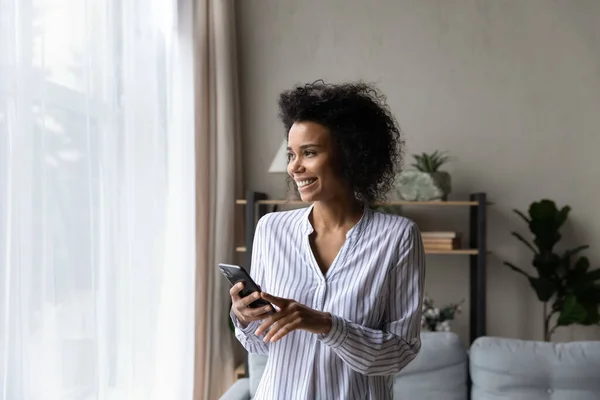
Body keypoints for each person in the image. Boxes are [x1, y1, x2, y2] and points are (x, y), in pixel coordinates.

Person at [230, 80, 426, 400]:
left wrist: (326, 324)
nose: (294, 167)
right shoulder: (271, 229)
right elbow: (258, 345)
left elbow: (399, 352)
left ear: (349, 156)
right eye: (291, 154)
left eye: (309, 153)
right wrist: (244, 316)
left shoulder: (397, 237)